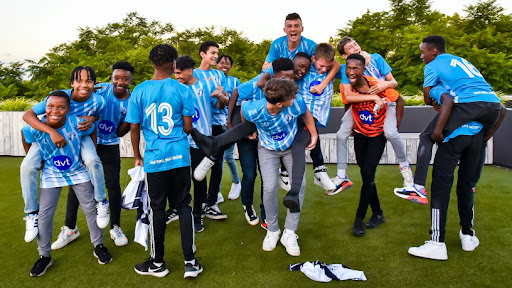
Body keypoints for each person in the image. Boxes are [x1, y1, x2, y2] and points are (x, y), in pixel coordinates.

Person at [191, 57, 311, 225]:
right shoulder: (255, 86)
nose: (289, 81)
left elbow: (302, 112)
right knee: (250, 173)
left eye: (290, 78)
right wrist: (231, 123)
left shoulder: (288, 91)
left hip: (266, 135)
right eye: (285, 78)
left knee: (267, 176)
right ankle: (247, 205)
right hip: (250, 131)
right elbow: (238, 96)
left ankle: (265, 213)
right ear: (273, 77)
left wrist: (313, 133)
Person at [394, 35, 503, 204]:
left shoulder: (433, 66)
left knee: (426, 136)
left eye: (423, 52)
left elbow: (430, 99)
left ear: (434, 51)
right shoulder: (461, 61)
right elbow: (502, 110)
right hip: (494, 104)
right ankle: (472, 183)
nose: (422, 56)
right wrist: (486, 137)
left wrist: (437, 131)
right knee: (480, 142)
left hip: (468, 104)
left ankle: (418, 187)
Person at [127, 44, 202, 278]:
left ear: (152, 63)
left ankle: (157, 263)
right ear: (174, 65)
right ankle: (190, 262)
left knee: (157, 209)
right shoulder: (183, 90)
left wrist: (137, 156)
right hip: (180, 155)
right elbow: (188, 127)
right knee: (184, 206)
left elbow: (134, 128)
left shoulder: (139, 90)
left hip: (154, 159)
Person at [23, 91, 112, 277]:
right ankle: (44, 255)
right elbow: (25, 136)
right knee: (45, 215)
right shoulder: (36, 126)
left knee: (90, 208)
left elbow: (92, 128)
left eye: (61, 107)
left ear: (68, 109)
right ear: (45, 108)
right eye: (50, 106)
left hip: (77, 172)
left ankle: (99, 245)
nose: (55, 110)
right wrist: (33, 160)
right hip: (51, 174)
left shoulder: (76, 122)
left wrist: (91, 151)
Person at [241, 78, 317, 256]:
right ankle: (273, 230)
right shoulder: (255, 108)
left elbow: (306, 114)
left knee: (300, 186)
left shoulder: (296, 103)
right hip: (267, 149)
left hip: (291, 148)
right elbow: (243, 111)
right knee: (269, 187)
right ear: (280, 103)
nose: (295, 97)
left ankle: (290, 232)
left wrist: (313, 134)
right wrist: (250, 129)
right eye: (292, 96)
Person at [334, 36, 412, 196]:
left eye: (355, 44)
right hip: (361, 105)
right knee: (341, 134)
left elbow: (393, 83)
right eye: (350, 48)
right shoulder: (345, 69)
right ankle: (341, 175)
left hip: (384, 102)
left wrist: (386, 84)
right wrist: (350, 123)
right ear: (344, 56)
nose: (355, 47)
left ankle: (405, 168)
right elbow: (347, 97)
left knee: (390, 132)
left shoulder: (376, 58)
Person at [342, 53, 399, 236]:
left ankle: (359, 219)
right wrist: (350, 124)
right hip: (360, 134)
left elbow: (399, 100)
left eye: (355, 68)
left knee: (368, 173)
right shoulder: (346, 86)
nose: (351, 71)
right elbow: (348, 103)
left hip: (377, 135)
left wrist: (394, 126)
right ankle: (378, 213)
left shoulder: (376, 85)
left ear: (363, 69)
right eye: (348, 68)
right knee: (365, 174)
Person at [174, 55, 226, 232]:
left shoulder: (205, 85)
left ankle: (198, 214)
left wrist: (219, 97)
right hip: (180, 140)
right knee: (180, 178)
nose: (177, 76)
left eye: (180, 73)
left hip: (201, 140)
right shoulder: (175, 88)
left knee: (199, 177)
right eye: (175, 73)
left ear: (190, 71)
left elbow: (218, 106)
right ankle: (178, 209)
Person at [93, 61, 134, 246]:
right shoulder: (100, 89)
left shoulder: (132, 101)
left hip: (110, 144)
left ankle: (115, 227)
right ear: (111, 77)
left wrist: (133, 116)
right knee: (80, 184)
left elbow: (119, 132)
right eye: (116, 77)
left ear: (130, 80)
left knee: (113, 184)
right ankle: (70, 227)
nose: (120, 82)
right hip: (89, 143)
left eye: (125, 79)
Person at [193, 40, 230, 220]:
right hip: (200, 126)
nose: (216, 56)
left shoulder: (218, 75)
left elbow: (224, 103)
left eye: (217, 53)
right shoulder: (193, 74)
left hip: (218, 126)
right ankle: (198, 207)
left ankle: (212, 203)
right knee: (200, 166)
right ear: (203, 54)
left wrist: (220, 97)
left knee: (217, 165)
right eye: (212, 53)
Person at [262, 12, 340, 96]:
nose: (293, 29)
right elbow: (264, 68)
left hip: (303, 88)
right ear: (284, 30)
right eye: (289, 26)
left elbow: (335, 64)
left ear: (302, 28)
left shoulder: (310, 45)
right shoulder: (277, 44)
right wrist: (282, 63)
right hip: (282, 88)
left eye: (296, 26)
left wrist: (322, 85)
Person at [216, 54, 242, 201]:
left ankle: (236, 182)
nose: (224, 65)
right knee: (217, 159)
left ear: (231, 67)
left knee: (227, 156)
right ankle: (217, 192)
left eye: (227, 63)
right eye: (221, 62)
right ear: (216, 65)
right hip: (215, 124)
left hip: (231, 123)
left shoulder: (235, 81)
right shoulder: (211, 79)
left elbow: (237, 101)